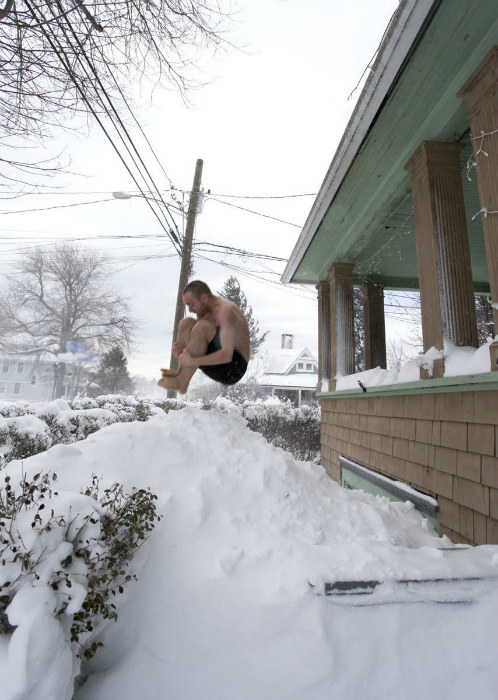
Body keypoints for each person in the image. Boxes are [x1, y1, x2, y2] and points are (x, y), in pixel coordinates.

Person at [158, 280, 250, 394]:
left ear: (204, 298)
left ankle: (182, 380)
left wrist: (191, 360)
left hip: (234, 369)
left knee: (201, 327)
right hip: (217, 360)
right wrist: (182, 354)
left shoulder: (226, 310)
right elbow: (197, 343)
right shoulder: (205, 312)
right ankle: (181, 376)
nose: (190, 310)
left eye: (191, 304)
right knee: (186, 323)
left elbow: (227, 355)